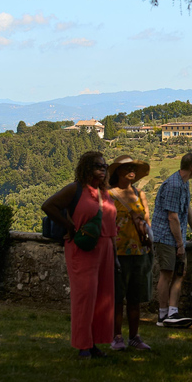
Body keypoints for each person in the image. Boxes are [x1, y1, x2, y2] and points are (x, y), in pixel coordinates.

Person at [42, 151, 117, 359]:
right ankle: (83, 345)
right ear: (86, 167)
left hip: (105, 250)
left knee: (102, 298)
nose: (102, 169)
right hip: (82, 249)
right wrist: (70, 227)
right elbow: (49, 206)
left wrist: (115, 255)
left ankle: (94, 343)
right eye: (97, 166)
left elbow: (110, 226)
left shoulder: (104, 192)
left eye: (104, 166)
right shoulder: (75, 189)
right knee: (85, 297)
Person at [152, 152, 192, 328]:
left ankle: (172, 313)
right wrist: (180, 244)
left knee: (179, 272)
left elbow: (186, 209)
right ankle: (162, 314)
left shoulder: (184, 183)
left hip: (175, 236)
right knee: (167, 274)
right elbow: (172, 217)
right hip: (166, 237)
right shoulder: (174, 185)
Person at [107, 155, 153, 351]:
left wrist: (150, 245)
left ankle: (134, 336)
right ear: (118, 171)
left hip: (140, 252)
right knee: (117, 299)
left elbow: (147, 220)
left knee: (135, 298)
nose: (132, 170)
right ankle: (117, 337)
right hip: (117, 253)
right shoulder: (108, 195)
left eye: (134, 167)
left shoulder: (139, 194)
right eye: (127, 168)